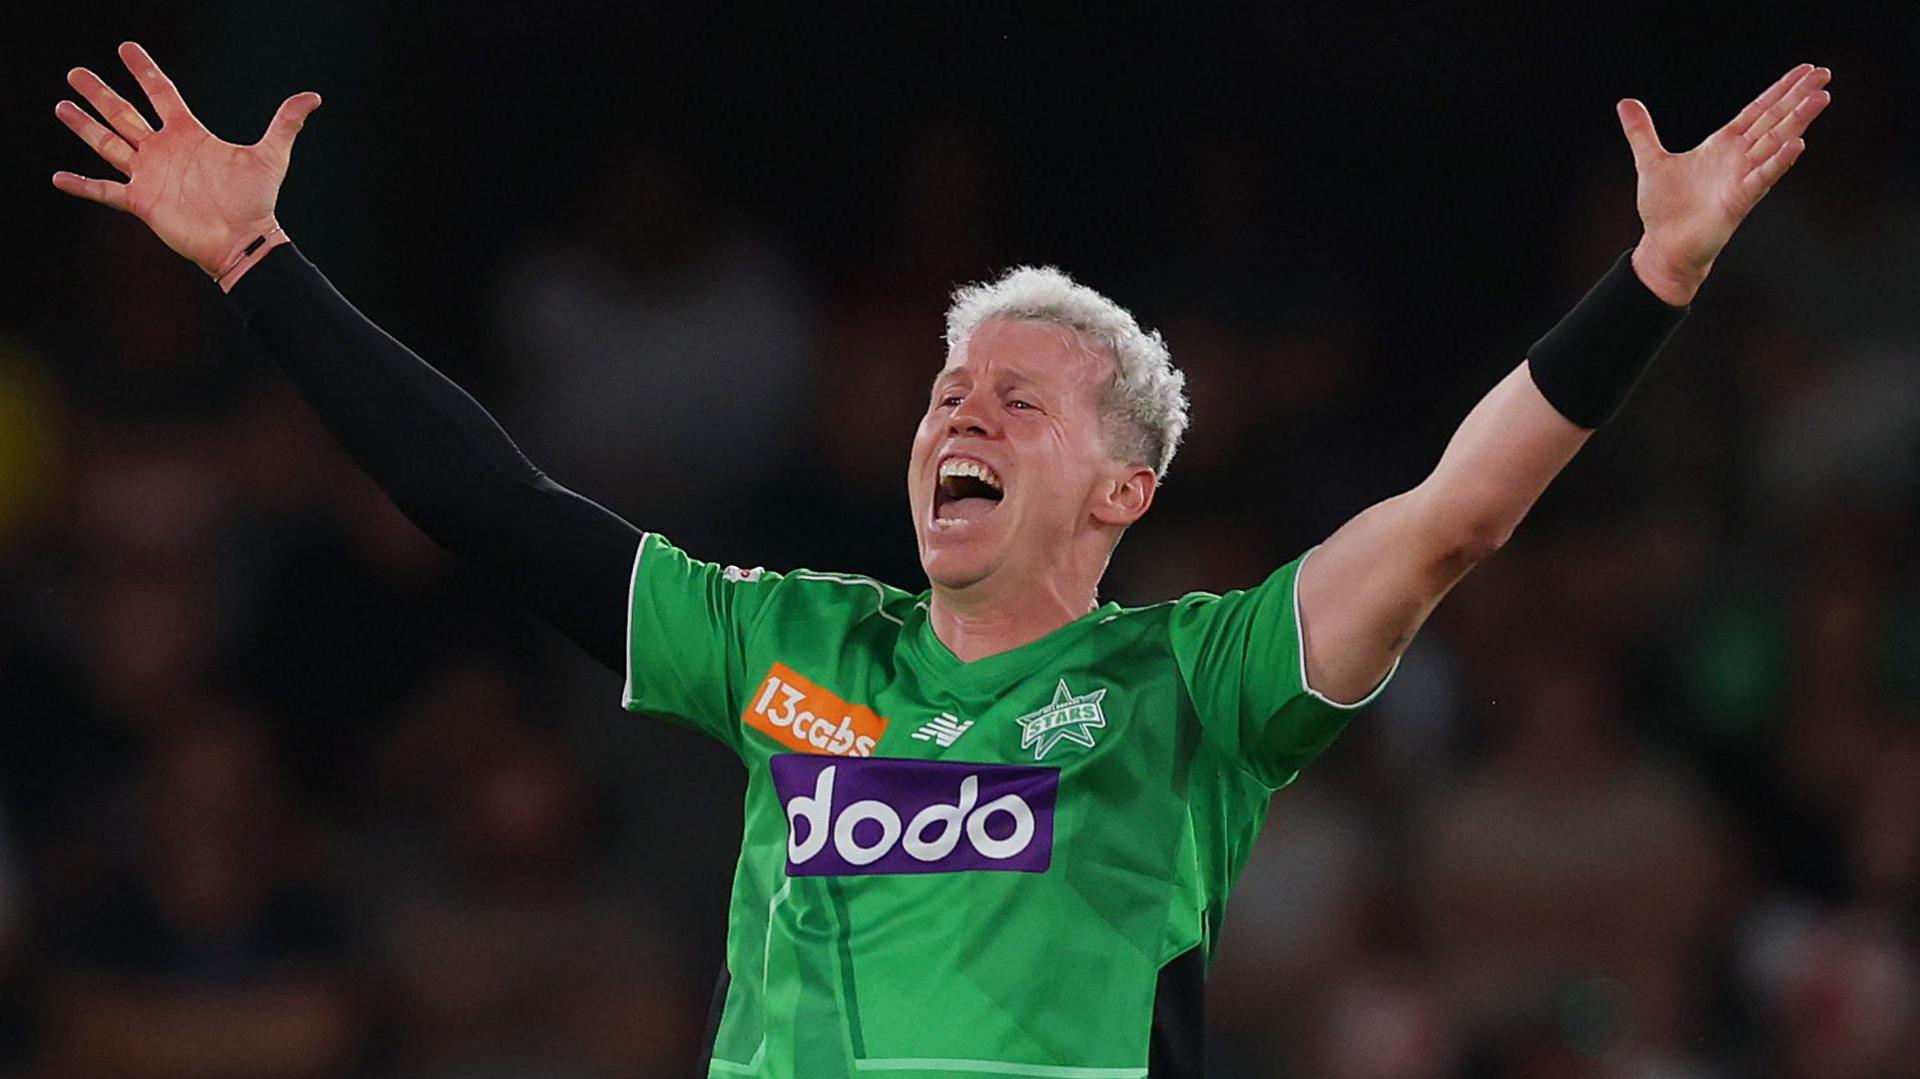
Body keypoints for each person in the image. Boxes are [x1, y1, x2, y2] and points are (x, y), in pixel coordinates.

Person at [52, 41, 1831, 1078]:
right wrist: (258, 267)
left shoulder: (1194, 686)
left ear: (1125, 492)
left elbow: (1456, 513)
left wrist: (1657, 277)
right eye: (944, 392)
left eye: (1018, 403)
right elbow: (497, 507)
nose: (956, 418)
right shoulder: (788, 644)